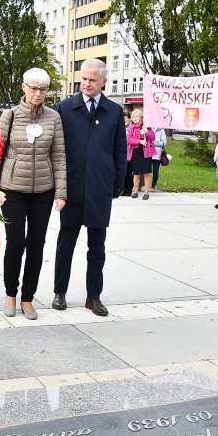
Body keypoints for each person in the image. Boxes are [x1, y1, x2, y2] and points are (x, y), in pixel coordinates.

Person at [52, 58, 126, 317]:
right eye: (83, 79)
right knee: (66, 242)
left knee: (97, 247)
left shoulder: (114, 112)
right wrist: (57, 185)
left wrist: (117, 184)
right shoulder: (65, 108)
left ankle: (93, 297)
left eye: (92, 80)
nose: (86, 84)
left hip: (100, 188)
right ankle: (59, 292)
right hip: (72, 187)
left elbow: (120, 150)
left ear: (103, 81)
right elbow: (56, 149)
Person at [0, 68, 66, 320]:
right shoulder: (9, 116)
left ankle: (28, 297)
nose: (38, 93)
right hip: (13, 189)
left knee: (37, 245)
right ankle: (10, 294)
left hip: (43, 192)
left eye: (43, 89)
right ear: (24, 88)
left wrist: (61, 192)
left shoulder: (53, 118)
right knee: (15, 243)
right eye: (34, 88)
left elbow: (58, 156)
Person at [126, 109, 156, 199]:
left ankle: (146, 193)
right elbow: (129, 139)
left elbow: (153, 137)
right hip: (136, 151)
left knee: (146, 172)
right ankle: (135, 192)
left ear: (141, 118)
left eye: (136, 116)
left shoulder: (146, 126)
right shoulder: (131, 128)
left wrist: (146, 131)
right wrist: (139, 141)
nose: (134, 118)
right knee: (136, 173)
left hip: (146, 152)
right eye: (133, 116)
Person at [151, 127, 167, 191]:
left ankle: (153, 185)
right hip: (147, 153)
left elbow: (164, 143)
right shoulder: (147, 127)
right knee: (144, 170)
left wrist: (154, 142)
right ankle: (140, 185)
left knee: (155, 170)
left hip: (156, 154)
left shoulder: (161, 130)